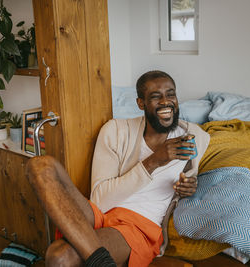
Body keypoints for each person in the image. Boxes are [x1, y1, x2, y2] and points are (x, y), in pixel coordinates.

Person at [26, 70, 210, 267]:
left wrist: (189, 188)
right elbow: (100, 200)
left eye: (170, 94)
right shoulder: (115, 130)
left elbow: (190, 180)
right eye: (156, 97)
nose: (166, 101)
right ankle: (102, 262)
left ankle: (99, 262)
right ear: (141, 103)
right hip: (100, 212)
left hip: (138, 226)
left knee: (58, 257)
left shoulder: (195, 136)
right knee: (38, 165)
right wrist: (155, 160)